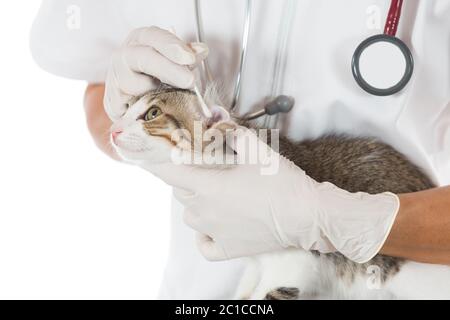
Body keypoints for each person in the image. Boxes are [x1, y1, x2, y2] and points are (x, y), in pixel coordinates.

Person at [31, 0, 450, 299]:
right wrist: (135, 120)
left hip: (399, 276)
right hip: (201, 285)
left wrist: (348, 222)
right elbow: (98, 90)